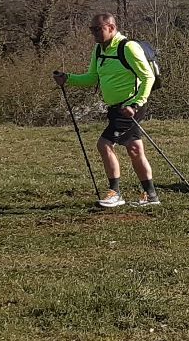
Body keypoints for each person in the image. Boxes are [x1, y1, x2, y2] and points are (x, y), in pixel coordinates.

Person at [54, 14, 159, 208]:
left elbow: (148, 77)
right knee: (135, 149)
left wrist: (135, 104)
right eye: (91, 30)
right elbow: (92, 78)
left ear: (111, 27)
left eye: (97, 29)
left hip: (130, 108)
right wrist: (68, 78)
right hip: (115, 108)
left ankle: (115, 193)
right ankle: (151, 195)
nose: (94, 33)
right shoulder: (99, 49)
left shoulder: (127, 47)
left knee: (104, 144)